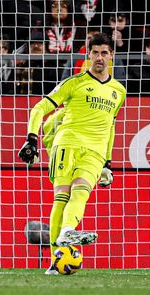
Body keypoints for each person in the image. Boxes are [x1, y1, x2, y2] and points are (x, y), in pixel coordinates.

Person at [18, 33, 126, 275]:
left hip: (96, 152)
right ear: (88, 55)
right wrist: (31, 138)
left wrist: (107, 162)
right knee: (62, 197)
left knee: (82, 191)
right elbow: (40, 107)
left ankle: (66, 231)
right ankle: (57, 258)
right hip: (67, 144)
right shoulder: (73, 82)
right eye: (95, 52)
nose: (99, 57)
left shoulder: (119, 91)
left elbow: (111, 125)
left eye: (104, 53)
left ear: (112, 56)